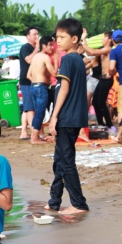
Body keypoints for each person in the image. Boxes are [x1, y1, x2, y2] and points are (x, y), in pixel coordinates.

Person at [46, 18, 89, 215]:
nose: (58, 40)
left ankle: (79, 203)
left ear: (74, 39)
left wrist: (54, 117)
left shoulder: (69, 59)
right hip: (74, 116)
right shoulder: (78, 59)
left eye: (62, 37)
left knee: (66, 161)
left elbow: (64, 89)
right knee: (60, 159)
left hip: (67, 117)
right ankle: (54, 200)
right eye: (57, 37)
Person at [26, 36, 59, 144]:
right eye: (49, 45)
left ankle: (36, 136)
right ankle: (34, 138)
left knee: (38, 113)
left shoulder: (35, 57)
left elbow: (28, 75)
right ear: (43, 46)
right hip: (40, 87)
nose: (52, 47)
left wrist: (40, 80)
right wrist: (55, 59)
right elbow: (55, 73)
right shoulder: (45, 57)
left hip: (34, 86)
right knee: (40, 114)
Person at [82, 29, 114, 128]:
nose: (102, 39)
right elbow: (92, 57)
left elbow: (91, 52)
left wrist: (83, 39)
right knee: (95, 101)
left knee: (100, 101)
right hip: (102, 78)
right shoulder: (104, 50)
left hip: (107, 79)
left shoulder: (108, 49)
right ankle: (100, 123)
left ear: (109, 40)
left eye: (105, 37)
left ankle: (109, 124)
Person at [19, 26, 39, 140]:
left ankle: (24, 132)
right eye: (34, 34)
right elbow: (29, 60)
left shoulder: (35, 48)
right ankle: (30, 131)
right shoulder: (25, 47)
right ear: (28, 36)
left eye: (37, 34)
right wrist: (37, 48)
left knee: (28, 107)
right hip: (26, 81)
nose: (37, 36)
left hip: (34, 80)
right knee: (29, 107)